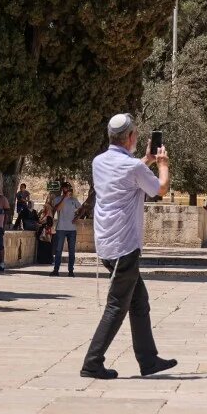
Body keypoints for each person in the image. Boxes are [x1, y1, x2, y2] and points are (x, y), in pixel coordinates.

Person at [81, 113, 176, 379]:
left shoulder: (99, 162)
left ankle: (148, 360)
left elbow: (125, 175)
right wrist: (163, 163)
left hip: (108, 242)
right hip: (125, 246)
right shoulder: (134, 168)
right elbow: (160, 189)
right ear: (131, 137)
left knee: (139, 301)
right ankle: (92, 362)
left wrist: (145, 160)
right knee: (116, 306)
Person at [50, 182, 80, 277]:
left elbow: (82, 208)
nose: (67, 189)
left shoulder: (74, 200)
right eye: (65, 188)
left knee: (72, 250)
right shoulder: (57, 199)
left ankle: (71, 271)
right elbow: (58, 208)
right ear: (62, 189)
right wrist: (64, 197)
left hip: (72, 229)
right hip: (61, 228)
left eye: (68, 188)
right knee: (58, 250)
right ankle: (56, 270)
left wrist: (77, 217)